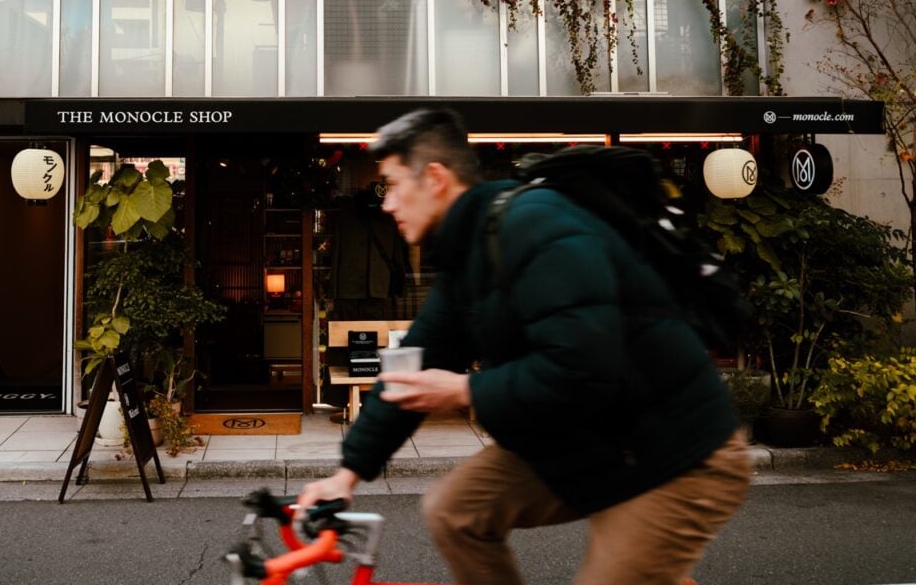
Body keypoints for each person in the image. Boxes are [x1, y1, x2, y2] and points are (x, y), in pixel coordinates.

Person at [298, 108, 751, 585]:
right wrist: (346, 475)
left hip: (671, 451)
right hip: (591, 441)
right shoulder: (465, 256)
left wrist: (463, 391)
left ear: (434, 177)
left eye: (392, 183)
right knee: (455, 512)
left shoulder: (537, 226)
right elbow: (415, 365)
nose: (386, 203)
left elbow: (581, 368)